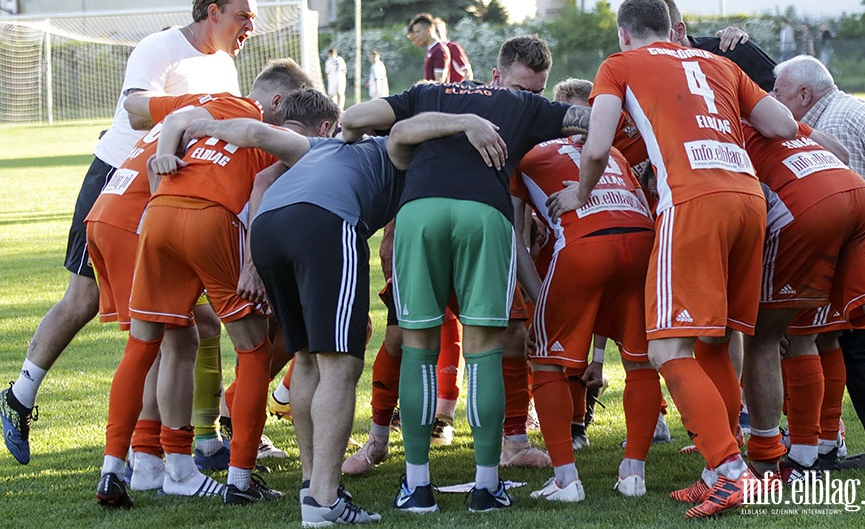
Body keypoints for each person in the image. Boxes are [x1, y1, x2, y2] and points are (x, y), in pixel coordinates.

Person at [187, 104, 506, 526]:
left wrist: (200, 126)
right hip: (326, 223)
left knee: (305, 358)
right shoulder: (403, 154)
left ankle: (310, 482)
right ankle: (324, 498)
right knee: (340, 365)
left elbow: (257, 134)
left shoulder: (319, 146)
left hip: (266, 228)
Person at [546, 0, 797, 519]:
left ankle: (731, 471)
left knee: (666, 349)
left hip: (692, 200)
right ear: (672, 26)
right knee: (714, 343)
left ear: (624, 32)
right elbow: (784, 125)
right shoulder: (715, 61)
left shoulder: (619, 63)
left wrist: (581, 193)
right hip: (748, 199)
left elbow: (596, 145)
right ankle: (717, 471)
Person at [0, 0, 256, 466]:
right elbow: (138, 109)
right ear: (212, 11)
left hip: (173, 197)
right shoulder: (161, 46)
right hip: (117, 183)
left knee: (189, 320)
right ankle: (22, 397)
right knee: (88, 299)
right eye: (242, 15)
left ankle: (195, 439)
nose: (250, 25)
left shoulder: (225, 65)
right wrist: (189, 111)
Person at [341, 35, 592, 514]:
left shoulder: (425, 93)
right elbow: (596, 117)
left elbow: (353, 118)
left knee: (417, 349)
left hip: (419, 212)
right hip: (486, 215)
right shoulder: (526, 104)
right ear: (501, 78)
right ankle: (485, 485)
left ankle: (416, 487)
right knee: (483, 351)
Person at [94, 60, 309, 509]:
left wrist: (161, 168)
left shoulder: (211, 102)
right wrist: (253, 264)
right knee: (252, 351)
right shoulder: (272, 130)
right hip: (210, 217)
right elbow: (262, 190)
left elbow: (172, 118)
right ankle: (240, 477)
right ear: (279, 102)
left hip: (157, 211)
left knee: (149, 344)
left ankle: (122, 467)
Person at [511, 77, 661, 501]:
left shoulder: (526, 155)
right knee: (641, 362)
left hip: (583, 247)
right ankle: (634, 473)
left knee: (547, 363)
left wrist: (537, 294)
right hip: (641, 243)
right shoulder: (612, 151)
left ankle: (565, 479)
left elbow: (515, 235)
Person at [772, 54, 865, 470]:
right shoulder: (846, 108)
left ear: (804, 94)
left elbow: (844, 206)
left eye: (779, 93)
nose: (772, 101)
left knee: (859, 338)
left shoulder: (832, 125)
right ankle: (841, 440)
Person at [407, 13, 451, 83]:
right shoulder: (432, 50)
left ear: (428, 30)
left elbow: (439, 83)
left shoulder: (439, 50)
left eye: (418, 32)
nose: (416, 36)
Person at [435, 17, 474, 82]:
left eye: (438, 31)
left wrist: (466, 89)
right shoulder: (433, 50)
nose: (436, 34)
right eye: (434, 32)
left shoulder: (453, 47)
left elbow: (467, 72)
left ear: (445, 31)